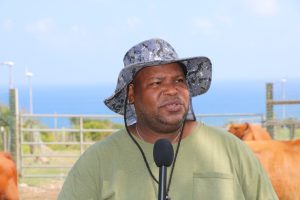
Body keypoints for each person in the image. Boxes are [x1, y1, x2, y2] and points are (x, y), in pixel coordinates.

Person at [58, 38, 278, 200]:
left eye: (179, 81)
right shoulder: (97, 161)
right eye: (156, 83)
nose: (172, 90)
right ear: (132, 94)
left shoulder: (232, 150)